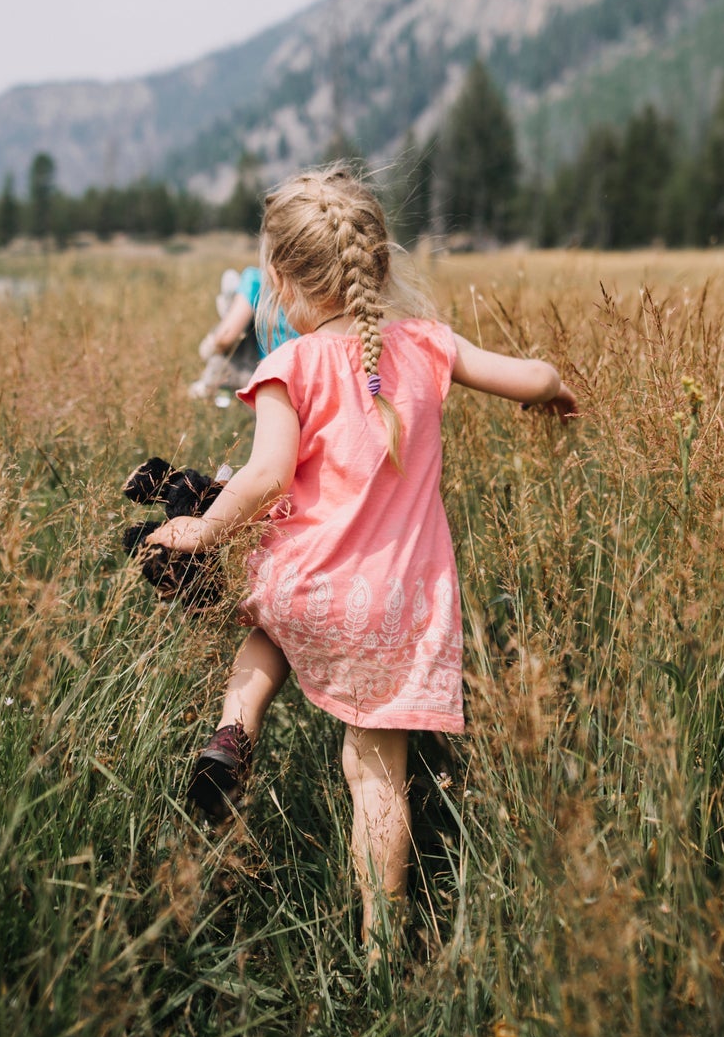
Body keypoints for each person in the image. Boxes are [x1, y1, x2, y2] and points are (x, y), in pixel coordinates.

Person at [146, 164, 576, 960]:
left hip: (307, 586)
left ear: (276, 279)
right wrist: (552, 394)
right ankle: (383, 950)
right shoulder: (428, 346)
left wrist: (203, 529)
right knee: (375, 777)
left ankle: (234, 730)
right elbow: (533, 375)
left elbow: (268, 474)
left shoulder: (288, 366)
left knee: (266, 626)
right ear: (377, 264)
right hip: (401, 611)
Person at [188, 264, 297, 400]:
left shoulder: (256, 279)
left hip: (268, 379)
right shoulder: (318, 281)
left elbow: (226, 337)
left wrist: (210, 345)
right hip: (308, 376)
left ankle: (208, 385)